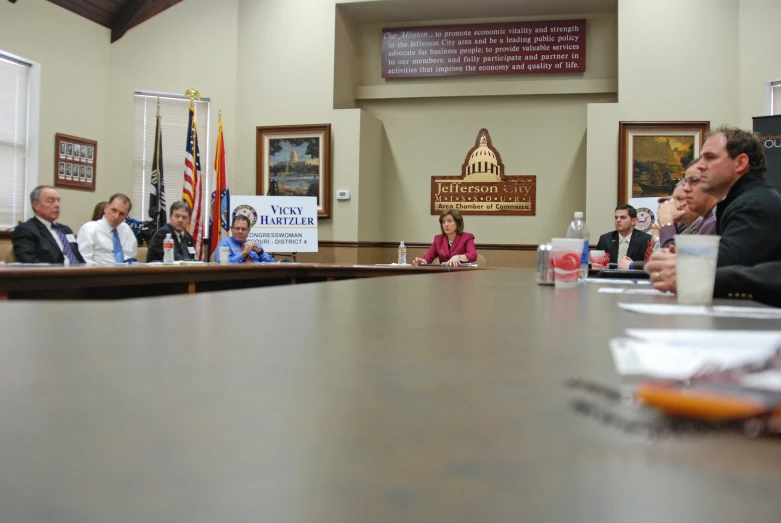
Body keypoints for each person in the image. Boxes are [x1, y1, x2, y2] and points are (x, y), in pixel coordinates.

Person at [646, 126, 781, 290]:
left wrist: (679, 261)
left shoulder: (755, 205)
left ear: (740, 163)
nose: (701, 166)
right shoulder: (744, 200)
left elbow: (727, 263)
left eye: (710, 158)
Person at [11, 185, 85, 265]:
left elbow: (78, 258)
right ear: (36, 205)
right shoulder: (25, 230)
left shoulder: (66, 230)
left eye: (58, 201)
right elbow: (30, 262)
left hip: (79, 274)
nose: (57, 205)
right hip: (53, 275)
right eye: (50, 201)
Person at [77, 193, 138, 265]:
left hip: (125, 273)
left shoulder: (126, 229)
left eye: (121, 214)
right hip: (100, 273)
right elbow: (84, 262)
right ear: (106, 208)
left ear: (126, 216)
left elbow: (130, 257)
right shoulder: (89, 229)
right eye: (114, 210)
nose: (116, 216)